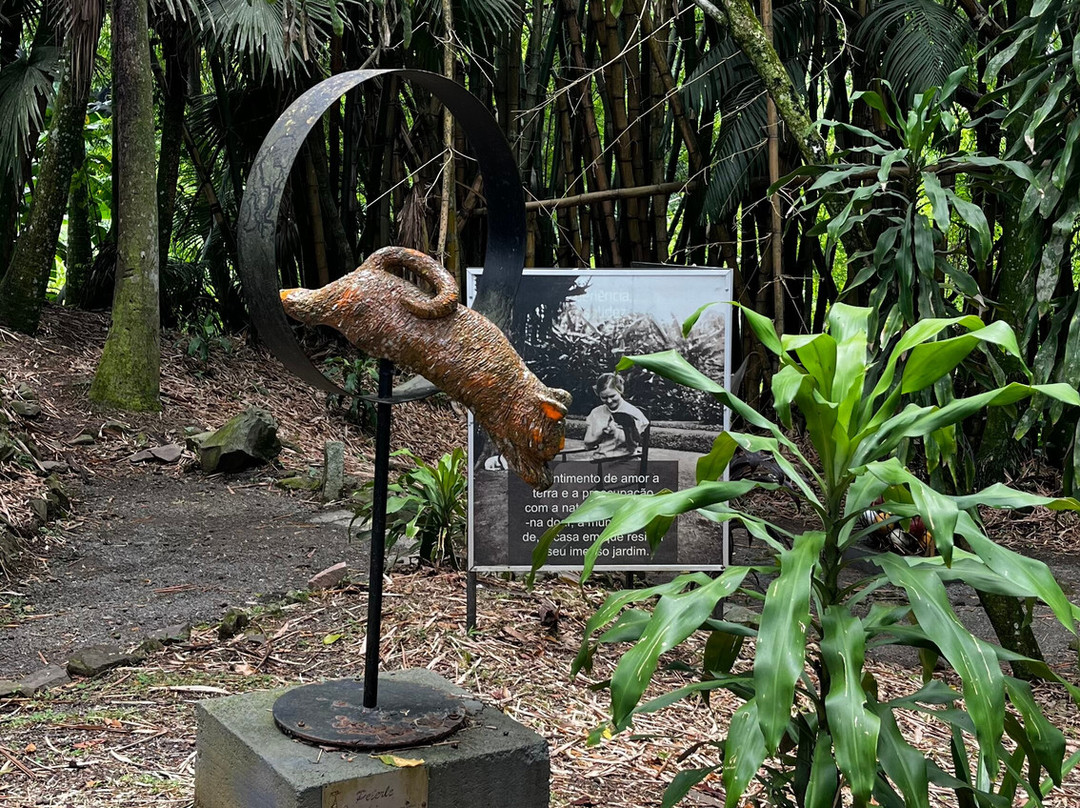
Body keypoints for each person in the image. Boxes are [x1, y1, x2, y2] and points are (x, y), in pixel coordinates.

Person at [583, 373, 649, 459]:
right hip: (599, 460)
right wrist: (601, 432)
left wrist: (624, 430)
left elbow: (633, 445)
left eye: (612, 396)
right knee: (563, 469)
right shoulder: (596, 413)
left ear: (620, 391)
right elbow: (588, 443)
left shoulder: (633, 413)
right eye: (604, 397)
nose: (609, 401)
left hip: (625, 461)